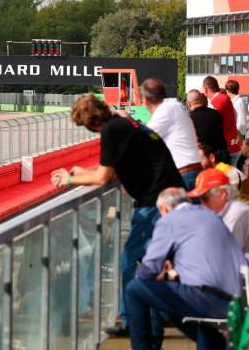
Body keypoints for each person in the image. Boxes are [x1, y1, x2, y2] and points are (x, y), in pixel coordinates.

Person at [51, 94, 185, 337]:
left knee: (130, 260)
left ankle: (130, 321)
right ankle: (148, 318)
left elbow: (103, 178)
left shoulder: (112, 130)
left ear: (91, 123)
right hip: (165, 197)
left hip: (156, 202)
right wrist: (84, 172)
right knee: (146, 262)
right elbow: (111, 171)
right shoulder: (123, 123)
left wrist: (70, 179)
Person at [126, 187, 247, 350]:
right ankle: (216, 345)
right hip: (238, 299)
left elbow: (148, 269)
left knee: (134, 289)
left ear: (164, 209)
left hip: (212, 301)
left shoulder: (169, 220)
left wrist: (150, 273)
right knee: (169, 302)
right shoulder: (210, 215)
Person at [188, 168, 249, 265]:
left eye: (204, 198)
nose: (202, 204)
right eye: (200, 199)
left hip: (240, 273)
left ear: (222, 194)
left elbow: (222, 257)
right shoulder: (228, 211)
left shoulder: (236, 214)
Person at [142, 78, 202, 190]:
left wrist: (128, 121)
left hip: (185, 174)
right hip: (190, 171)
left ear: (145, 101)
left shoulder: (165, 110)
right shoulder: (172, 106)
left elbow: (144, 138)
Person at [203, 76, 241, 166]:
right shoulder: (226, 98)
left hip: (225, 149)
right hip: (233, 144)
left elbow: (210, 127)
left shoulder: (215, 103)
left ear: (206, 89)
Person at [186, 89, 230, 164]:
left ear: (189, 104)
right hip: (221, 154)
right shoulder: (216, 114)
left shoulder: (188, 118)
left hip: (205, 158)